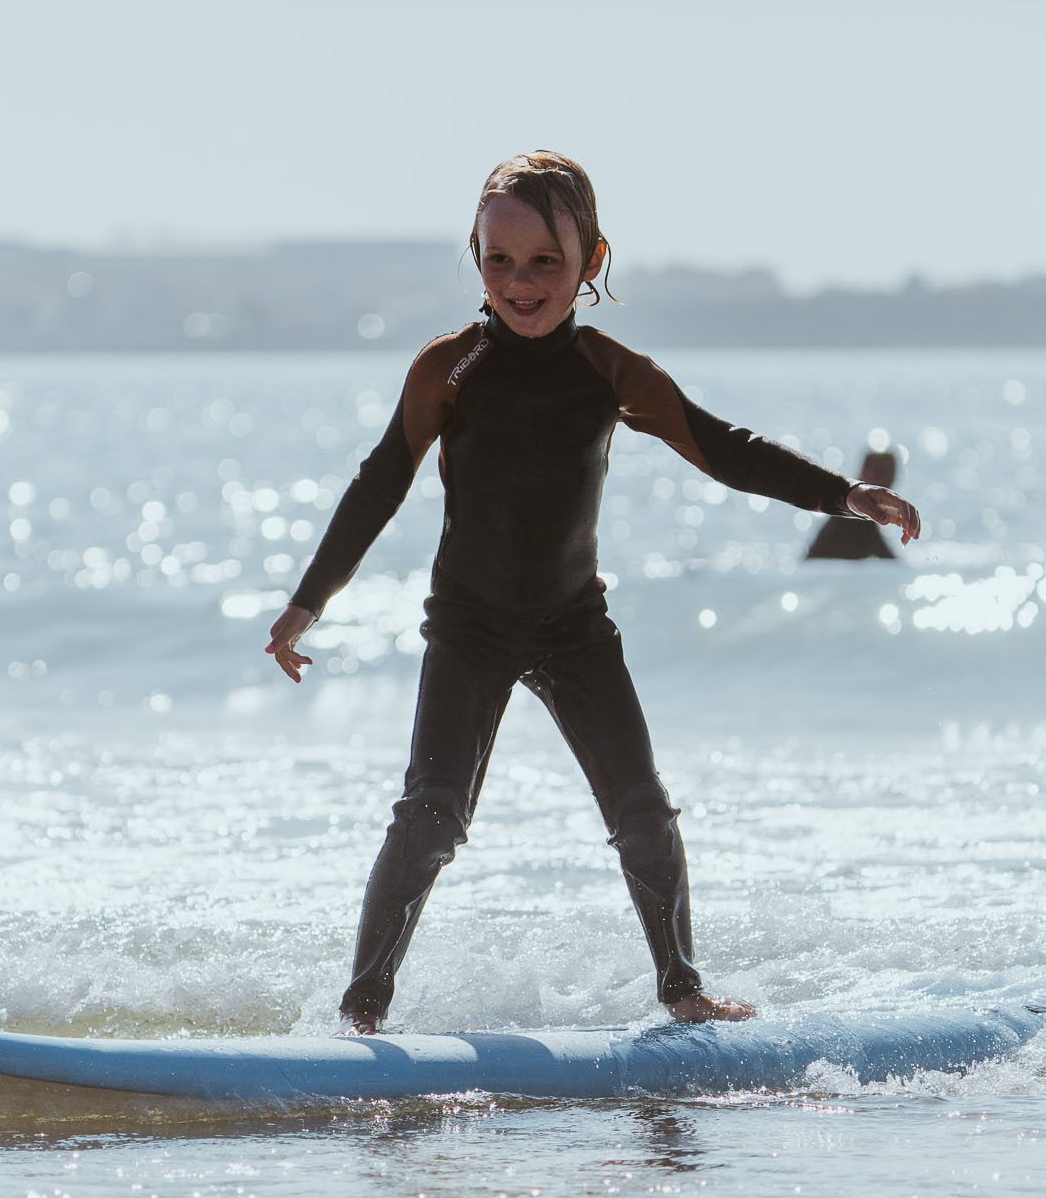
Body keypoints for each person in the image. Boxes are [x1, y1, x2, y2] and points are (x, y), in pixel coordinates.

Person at [264, 151, 921, 1035]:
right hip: (469, 626)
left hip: (574, 626)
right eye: (499, 260)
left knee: (643, 812)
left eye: (546, 262)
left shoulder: (612, 373)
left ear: (592, 263)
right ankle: (361, 1018)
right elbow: (382, 480)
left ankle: (684, 994)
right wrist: (309, 602)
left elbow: (724, 447)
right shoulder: (447, 369)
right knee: (429, 819)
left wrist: (842, 495)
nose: (521, 282)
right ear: (476, 258)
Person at [805, 449, 900, 560]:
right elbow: (886, 558)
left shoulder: (858, 511)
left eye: (889, 473)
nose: (885, 480)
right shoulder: (855, 511)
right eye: (879, 472)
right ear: (863, 472)